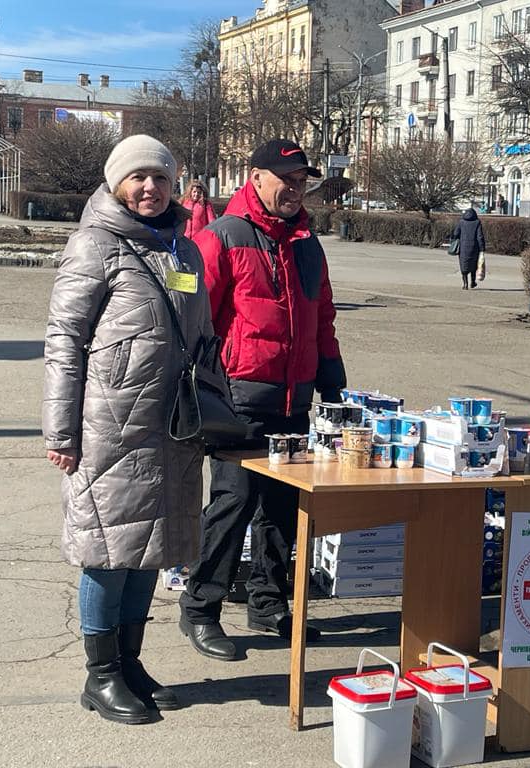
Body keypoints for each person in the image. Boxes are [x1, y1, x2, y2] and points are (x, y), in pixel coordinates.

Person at [43, 134, 213, 724]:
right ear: (117, 182)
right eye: (138, 177)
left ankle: (131, 661)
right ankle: (101, 675)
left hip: (174, 426)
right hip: (111, 427)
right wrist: (60, 431)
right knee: (107, 553)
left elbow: (203, 341)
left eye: (161, 178)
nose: (150, 188)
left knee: (150, 549)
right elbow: (64, 341)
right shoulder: (94, 245)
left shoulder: (183, 252)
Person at [178, 138, 346, 661]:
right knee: (233, 502)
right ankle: (200, 607)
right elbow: (188, 311)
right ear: (255, 177)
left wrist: (334, 382)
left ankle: (269, 602)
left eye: (302, 182)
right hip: (238, 400)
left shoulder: (307, 244)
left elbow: (322, 319)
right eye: (285, 180)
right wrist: (196, 382)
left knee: (282, 508)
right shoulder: (221, 237)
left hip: (294, 403)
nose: (295, 190)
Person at [452, 208, 486, 290]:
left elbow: (456, 233)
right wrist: (482, 248)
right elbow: (480, 236)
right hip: (474, 247)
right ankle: (473, 282)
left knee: (464, 265)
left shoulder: (461, 222)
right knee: (473, 266)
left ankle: (465, 284)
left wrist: (454, 238)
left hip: (463, 247)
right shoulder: (477, 222)